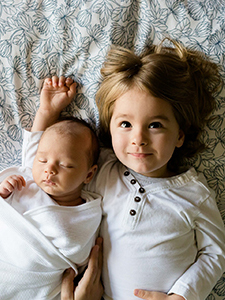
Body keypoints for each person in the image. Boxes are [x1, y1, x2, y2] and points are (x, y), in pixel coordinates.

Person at [23, 39, 225, 300]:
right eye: (126, 124)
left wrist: (183, 295)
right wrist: (47, 112)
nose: (138, 139)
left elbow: (215, 253)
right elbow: (40, 165)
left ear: (179, 135)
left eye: (155, 125)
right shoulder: (101, 170)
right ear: (110, 129)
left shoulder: (194, 194)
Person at [0, 77, 102, 300]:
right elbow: (38, 143)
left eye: (65, 165)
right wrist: (48, 109)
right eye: (43, 160)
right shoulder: (28, 179)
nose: (49, 170)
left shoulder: (88, 212)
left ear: (89, 174)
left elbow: (78, 254)